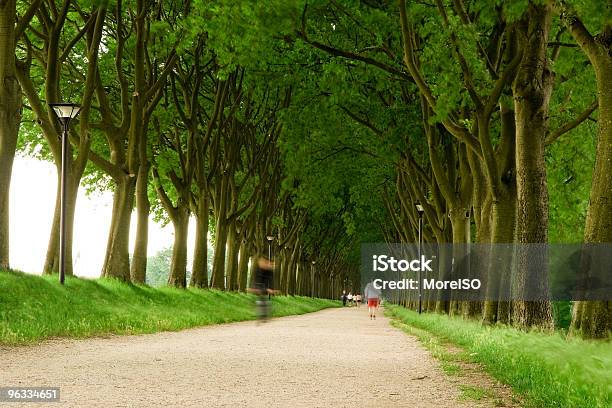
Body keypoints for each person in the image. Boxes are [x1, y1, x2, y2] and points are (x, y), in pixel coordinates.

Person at [248, 257, 276, 321]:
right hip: (258, 285)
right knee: (259, 299)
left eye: (263, 262)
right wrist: (252, 288)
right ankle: (260, 312)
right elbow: (254, 279)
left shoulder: (269, 271)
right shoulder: (257, 269)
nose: (262, 264)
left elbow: (271, 280)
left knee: (264, 298)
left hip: (265, 285)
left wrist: (271, 289)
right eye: (260, 262)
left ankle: (264, 314)